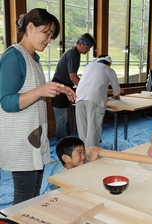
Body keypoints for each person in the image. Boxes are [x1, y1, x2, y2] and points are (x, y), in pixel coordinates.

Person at [0, 8, 76, 205]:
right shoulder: (13, 57)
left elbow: (33, 91)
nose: (49, 40)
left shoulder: (33, 58)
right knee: (24, 198)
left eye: (52, 36)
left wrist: (58, 89)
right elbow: (7, 101)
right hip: (21, 141)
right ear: (31, 27)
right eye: (47, 33)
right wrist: (41, 91)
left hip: (36, 138)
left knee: (33, 195)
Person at [51, 33, 95, 141]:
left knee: (66, 119)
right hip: (60, 88)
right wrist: (83, 90)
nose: (89, 50)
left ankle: (67, 143)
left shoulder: (75, 54)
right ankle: (62, 145)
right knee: (62, 119)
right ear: (80, 44)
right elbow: (73, 77)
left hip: (66, 87)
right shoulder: (72, 54)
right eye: (88, 47)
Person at [75, 54, 121, 148]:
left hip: (79, 97)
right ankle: (92, 157)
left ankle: (83, 155)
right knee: (93, 130)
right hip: (94, 99)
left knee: (83, 129)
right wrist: (116, 95)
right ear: (108, 63)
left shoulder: (88, 66)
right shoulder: (108, 69)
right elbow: (116, 89)